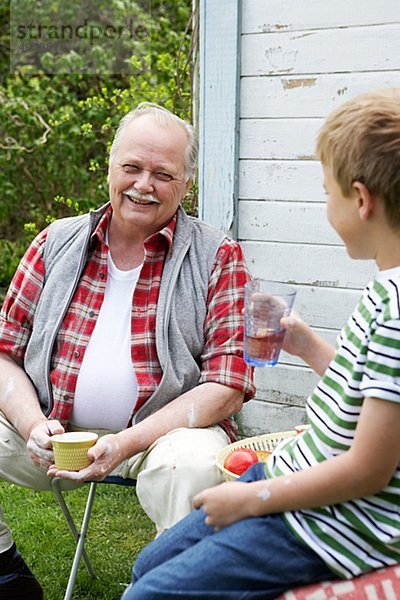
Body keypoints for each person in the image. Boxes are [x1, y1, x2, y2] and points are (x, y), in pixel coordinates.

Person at [122, 87, 400, 600]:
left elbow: (369, 468)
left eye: (325, 192)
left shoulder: (397, 308)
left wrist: (253, 501)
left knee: (148, 594)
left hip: (331, 526)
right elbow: (369, 397)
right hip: (294, 478)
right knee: (149, 564)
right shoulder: (386, 286)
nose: (324, 205)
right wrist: (306, 344)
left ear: (360, 200)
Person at [0, 102, 254, 598]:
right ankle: (5, 573)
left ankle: (172, 588)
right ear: (110, 166)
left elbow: (227, 384)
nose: (144, 184)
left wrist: (126, 442)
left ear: (186, 184)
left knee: (196, 466)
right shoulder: (55, 241)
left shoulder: (218, 254)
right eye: (132, 167)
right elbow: (5, 352)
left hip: (163, 436)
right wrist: (33, 425)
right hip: (57, 432)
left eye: (163, 174)